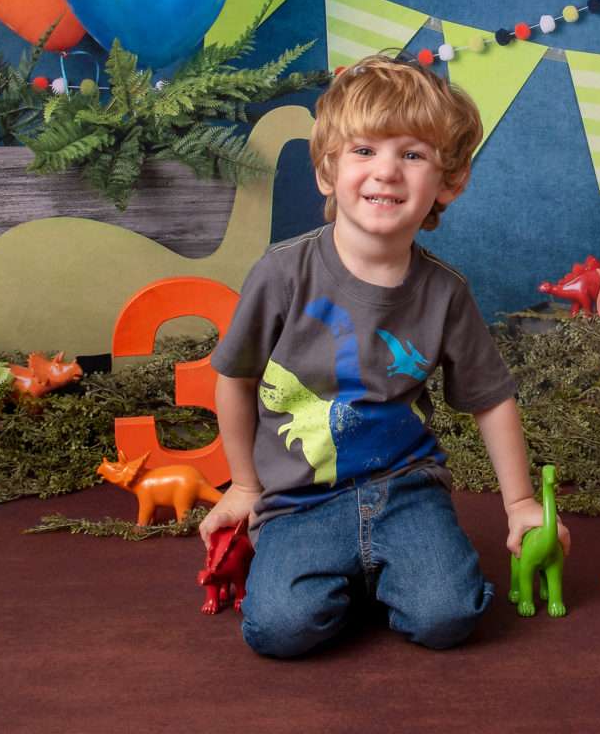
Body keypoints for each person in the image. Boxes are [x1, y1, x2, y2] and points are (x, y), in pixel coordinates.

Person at [200, 54, 570, 657]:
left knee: (450, 617)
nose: (388, 172)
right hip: (300, 499)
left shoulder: (446, 293)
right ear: (327, 170)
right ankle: (351, 574)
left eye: (413, 154)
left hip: (405, 490)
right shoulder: (282, 274)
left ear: (449, 182)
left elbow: (491, 400)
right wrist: (244, 485)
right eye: (365, 150)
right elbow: (234, 379)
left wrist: (522, 503)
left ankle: (393, 569)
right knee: (279, 630)